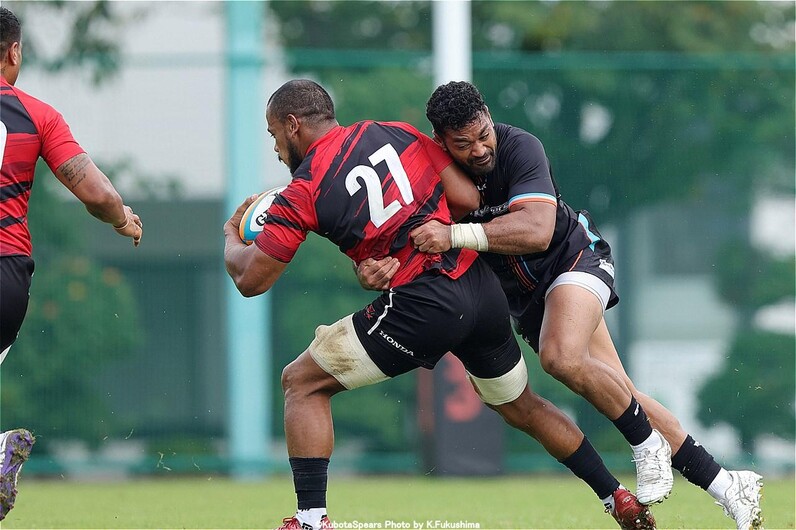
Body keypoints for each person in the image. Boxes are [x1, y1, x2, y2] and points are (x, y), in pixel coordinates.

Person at [224, 79, 657, 530]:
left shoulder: (304, 190)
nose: (275, 148)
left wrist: (231, 237)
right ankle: (616, 495)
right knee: (521, 407)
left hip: (425, 303)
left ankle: (311, 518)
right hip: (481, 288)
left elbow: (252, 279)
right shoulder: (393, 132)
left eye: (274, 134)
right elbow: (468, 199)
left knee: (302, 383)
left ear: (293, 126)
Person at [359, 80, 763, 530]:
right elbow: (398, 240)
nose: (478, 149)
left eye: (482, 134)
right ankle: (728, 485)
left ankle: (646, 445)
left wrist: (454, 233)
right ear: (440, 141)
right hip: (526, 300)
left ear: (490, 117)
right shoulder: (429, 177)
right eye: (462, 143)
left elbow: (537, 230)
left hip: (573, 258)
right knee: (619, 390)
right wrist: (376, 269)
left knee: (561, 357)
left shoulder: (520, 146)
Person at [0, 6, 143, 521]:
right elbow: (96, 191)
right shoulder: (37, 115)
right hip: (7, 274)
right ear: (14, 51)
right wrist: (121, 217)